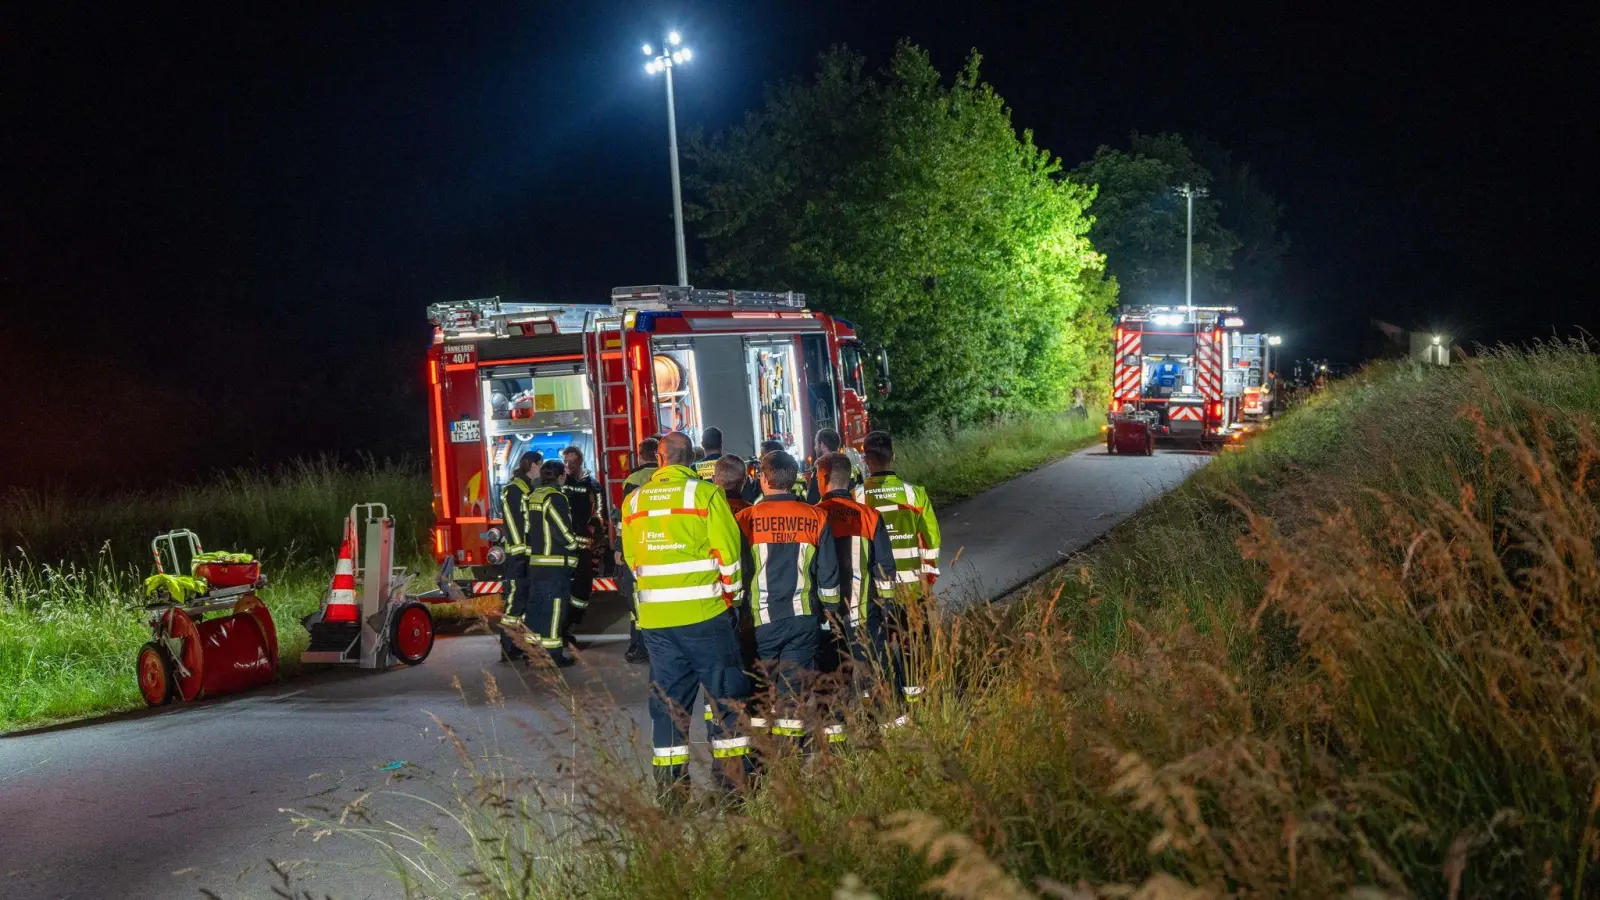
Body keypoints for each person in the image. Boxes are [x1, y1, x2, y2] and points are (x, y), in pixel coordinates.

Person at [621, 431, 751, 804]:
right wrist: (732, 599)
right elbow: (728, 557)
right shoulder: (705, 494)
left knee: (668, 709)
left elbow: (633, 562)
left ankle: (672, 797)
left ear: (659, 460)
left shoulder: (634, 501)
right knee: (725, 701)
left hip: (658, 624)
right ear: (690, 460)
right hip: (707, 616)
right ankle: (731, 792)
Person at [735, 450, 840, 747]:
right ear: (793, 480)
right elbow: (828, 575)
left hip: (759, 623)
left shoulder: (744, 519)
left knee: (759, 693)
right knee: (791, 696)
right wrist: (829, 614)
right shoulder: (817, 517)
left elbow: (737, 572)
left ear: (764, 480)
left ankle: (757, 759)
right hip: (803, 620)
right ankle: (789, 764)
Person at [813, 451, 898, 737]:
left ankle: (836, 748)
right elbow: (885, 569)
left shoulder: (813, 516)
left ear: (822, 478)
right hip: (865, 616)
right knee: (877, 679)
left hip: (828, 621)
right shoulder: (869, 516)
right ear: (849, 478)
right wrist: (887, 610)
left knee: (833, 686)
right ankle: (889, 739)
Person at [855, 430, 941, 714]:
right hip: (910, 590)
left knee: (876, 652)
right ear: (893, 457)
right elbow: (931, 542)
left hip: (871, 593)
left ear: (866, 461)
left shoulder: (856, 498)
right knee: (912, 649)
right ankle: (919, 707)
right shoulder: (914, 494)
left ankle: (884, 709)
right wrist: (927, 580)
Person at [519, 459, 580, 667]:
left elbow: (526, 528)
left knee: (535, 610)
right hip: (554, 565)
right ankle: (553, 656)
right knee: (554, 611)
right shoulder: (555, 498)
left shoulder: (532, 496)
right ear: (561, 476)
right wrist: (575, 545)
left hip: (535, 564)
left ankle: (532, 654)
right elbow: (561, 529)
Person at [618, 437, 660, 664]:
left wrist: (619, 548)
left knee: (637, 602)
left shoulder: (633, 480)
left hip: (640, 545)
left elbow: (626, 519)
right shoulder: (667, 476)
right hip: (664, 543)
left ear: (641, 455)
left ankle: (639, 647)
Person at [496, 451, 540, 662]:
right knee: (515, 603)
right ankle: (509, 647)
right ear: (532, 465)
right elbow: (514, 525)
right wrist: (522, 553)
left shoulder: (527, 488)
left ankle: (519, 645)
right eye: (539, 466)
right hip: (519, 557)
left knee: (524, 603)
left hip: (526, 556)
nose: (540, 470)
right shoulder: (515, 489)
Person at [559, 446, 604, 643]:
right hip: (562, 548)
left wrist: (595, 529)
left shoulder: (592, 486)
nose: (568, 466)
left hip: (583, 548)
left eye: (572, 462)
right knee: (561, 589)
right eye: (565, 462)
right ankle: (562, 627)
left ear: (580, 463)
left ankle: (571, 621)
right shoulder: (560, 485)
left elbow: (599, 514)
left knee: (582, 589)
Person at [804, 428, 861, 502]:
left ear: (822, 445)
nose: (815, 448)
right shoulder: (852, 468)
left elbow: (813, 500)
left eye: (816, 444)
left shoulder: (822, 469)